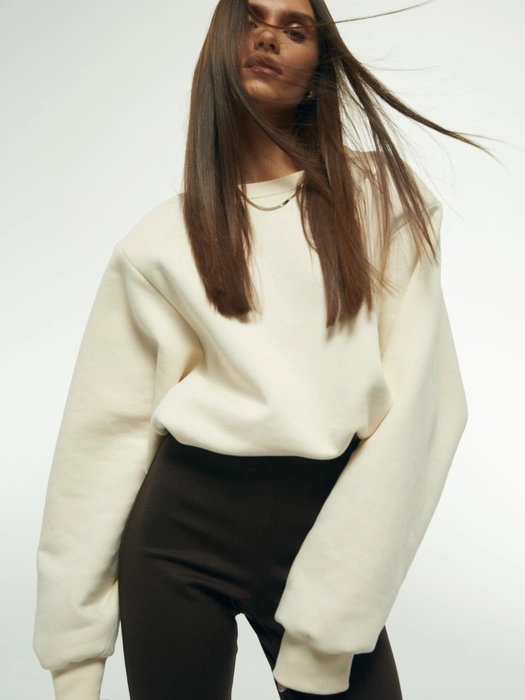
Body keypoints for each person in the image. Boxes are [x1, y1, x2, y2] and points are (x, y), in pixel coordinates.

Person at [32, 0, 496, 698]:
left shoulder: (382, 201)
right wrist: (73, 659)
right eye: (251, 18)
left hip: (324, 528)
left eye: (295, 28)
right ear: (221, 41)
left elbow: (425, 412)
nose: (268, 37)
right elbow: (101, 442)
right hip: (177, 539)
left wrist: (327, 628)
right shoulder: (158, 244)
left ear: (319, 67)